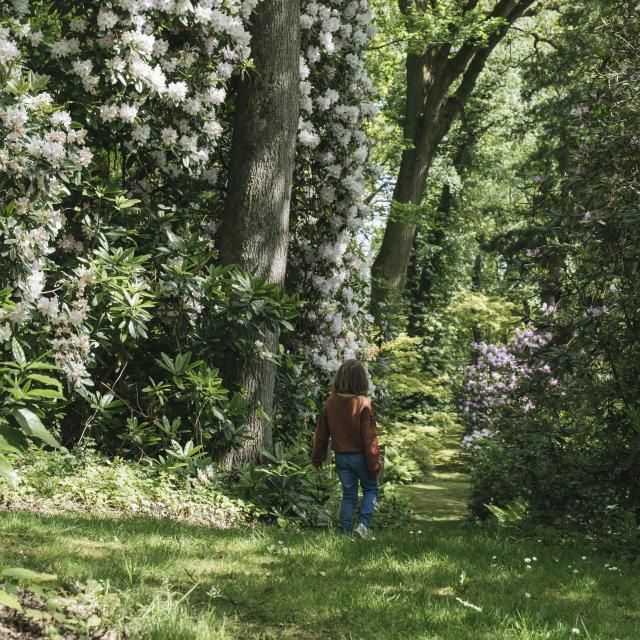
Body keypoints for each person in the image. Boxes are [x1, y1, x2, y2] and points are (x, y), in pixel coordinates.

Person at [311, 359, 380, 537]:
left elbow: (321, 434)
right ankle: (363, 526)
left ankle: (345, 531)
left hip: (341, 457)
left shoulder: (330, 403)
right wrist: (374, 465)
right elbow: (369, 437)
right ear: (361, 380)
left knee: (349, 494)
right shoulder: (363, 403)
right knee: (370, 489)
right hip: (362, 457)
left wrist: (317, 458)